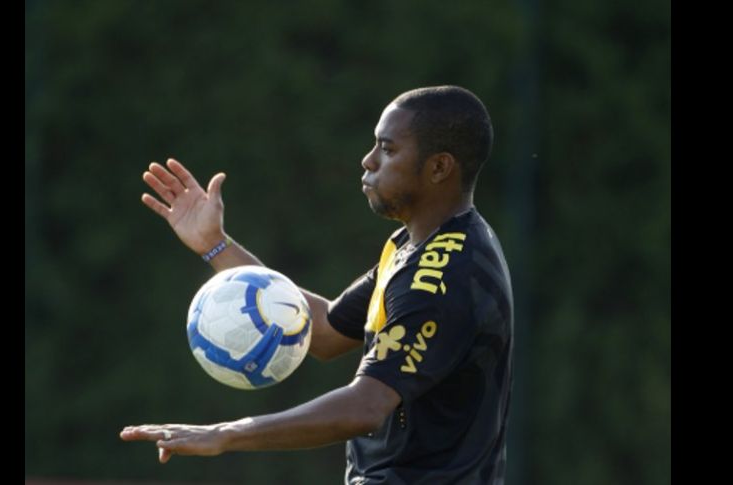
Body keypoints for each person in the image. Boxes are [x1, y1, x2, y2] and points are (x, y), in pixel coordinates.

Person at [120, 85, 514, 484]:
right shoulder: (415, 248)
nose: (368, 160)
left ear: (439, 168)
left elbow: (365, 407)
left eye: (388, 149)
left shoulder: (441, 277)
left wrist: (224, 434)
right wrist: (214, 245)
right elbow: (324, 330)